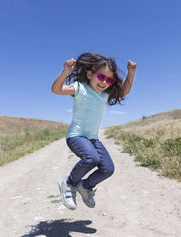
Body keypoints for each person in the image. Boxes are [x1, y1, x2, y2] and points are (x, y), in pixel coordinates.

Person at [51, 52, 137, 210]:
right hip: (76, 136)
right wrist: (65, 72)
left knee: (108, 169)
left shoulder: (104, 95)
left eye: (109, 80)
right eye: (101, 77)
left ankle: (86, 186)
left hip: (92, 139)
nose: (104, 82)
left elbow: (124, 91)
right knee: (91, 158)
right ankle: (69, 184)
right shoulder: (80, 88)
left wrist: (131, 73)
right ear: (90, 74)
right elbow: (56, 90)